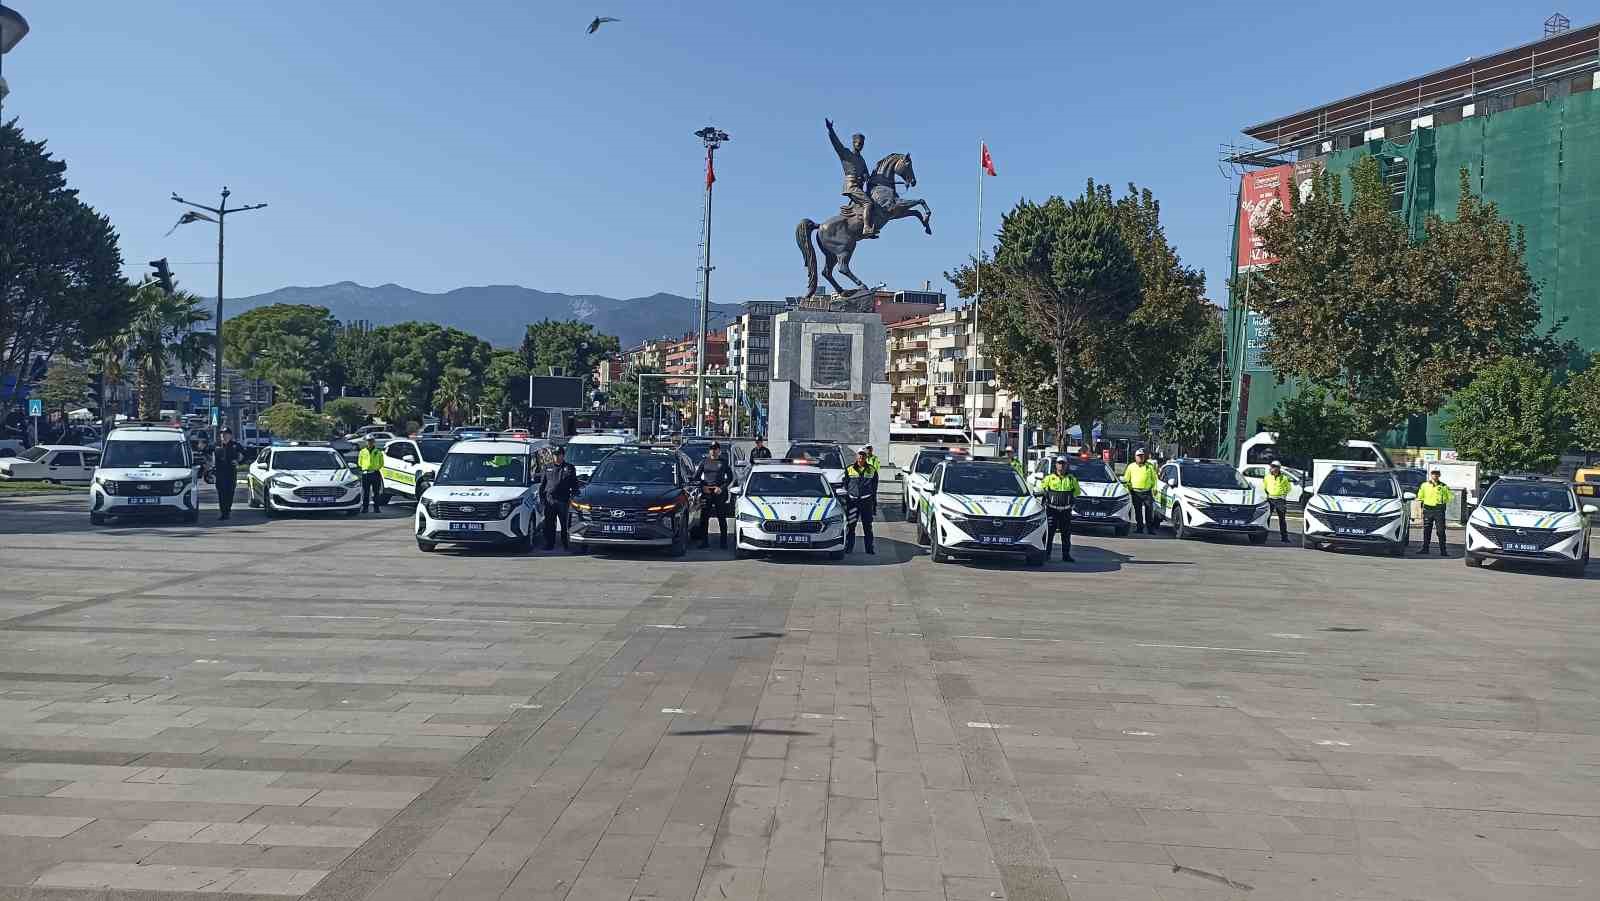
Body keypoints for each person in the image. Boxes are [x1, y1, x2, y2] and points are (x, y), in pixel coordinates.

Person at [826, 119, 878, 238]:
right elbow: (836, 143)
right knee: (868, 203)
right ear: (853, 143)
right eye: (858, 143)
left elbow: (866, 174)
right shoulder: (846, 154)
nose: (860, 146)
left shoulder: (861, 159)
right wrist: (831, 130)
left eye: (862, 144)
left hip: (859, 186)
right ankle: (866, 228)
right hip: (851, 186)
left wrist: (866, 176)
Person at [1039, 456, 1080, 562]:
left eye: (1063, 463)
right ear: (1056, 465)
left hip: (1065, 511)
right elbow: (1041, 488)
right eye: (1059, 463)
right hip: (1052, 510)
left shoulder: (1071, 479)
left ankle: (1066, 555)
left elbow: (1077, 492)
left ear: (1066, 465)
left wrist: (1069, 501)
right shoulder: (1049, 478)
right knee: (1050, 534)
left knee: (1066, 534)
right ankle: (1047, 555)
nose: (1061, 465)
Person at [694, 442, 734, 549]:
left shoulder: (723, 462)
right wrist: (703, 486)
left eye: (715, 448)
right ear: (709, 450)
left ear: (719, 450)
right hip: (707, 492)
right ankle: (704, 541)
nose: (713, 450)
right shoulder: (704, 462)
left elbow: (730, 478)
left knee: (721, 517)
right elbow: (697, 477)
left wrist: (721, 488)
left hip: (719, 492)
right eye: (711, 448)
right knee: (704, 518)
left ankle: (723, 542)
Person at [539, 446, 578, 551]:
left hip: (563, 500)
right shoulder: (547, 467)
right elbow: (543, 485)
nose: (556, 457)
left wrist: (574, 496)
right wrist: (542, 499)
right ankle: (549, 544)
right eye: (555, 455)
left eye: (559, 455)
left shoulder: (569, 468)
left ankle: (565, 543)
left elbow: (574, 484)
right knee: (549, 524)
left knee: (564, 524)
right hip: (550, 499)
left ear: (563, 455)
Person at [843, 448, 878, 554]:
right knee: (851, 525)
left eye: (863, 455)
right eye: (859, 455)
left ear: (866, 457)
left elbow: (874, 488)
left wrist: (874, 505)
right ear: (856, 456)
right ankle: (849, 548)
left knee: (867, 526)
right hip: (853, 502)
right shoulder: (849, 469)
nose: (861, 457)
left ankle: (869, 549)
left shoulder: (872, 470)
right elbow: (845, 484)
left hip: (866, 502)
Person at [210, 428, 246, 520]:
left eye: (225, 434)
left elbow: (246, 455)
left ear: (230, 435)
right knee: (221, 493)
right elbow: (205, 452)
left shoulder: (235, 445)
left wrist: (239, 462)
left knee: (229, 493)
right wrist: (209, 463)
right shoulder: (216, 445)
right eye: (222, 433)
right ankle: (223, 513)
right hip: (219, 473)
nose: (223, 435)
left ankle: (227, 510)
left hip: (231, 473)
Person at [1122, 448, 1159, 535]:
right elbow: (1126, 479)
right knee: (1138, 511)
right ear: (1135, 457)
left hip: (1147, 492)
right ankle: (1139, 528)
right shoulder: (1131, 466)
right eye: (1139, 456)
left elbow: (1155, 479)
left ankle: (1150, 529)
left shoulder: (1149, 466)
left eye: (1142, 456)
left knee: (1149, 511)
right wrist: (1126, 489)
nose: (1140, 458)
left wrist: (1155, 488)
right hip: (1135, 492)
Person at [1417, 469, 1452, 556]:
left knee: (1440, 531)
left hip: (1439, 510)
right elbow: (1420, 497)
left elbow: (1449, 497)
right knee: (1427, 530)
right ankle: (1425, 549)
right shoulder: (1424, 485)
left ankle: (1443, 551)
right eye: (1433, 474)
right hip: (1428, 509)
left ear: (1439, 475)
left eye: (1437, 474)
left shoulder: (1444, 486)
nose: (1435, 476)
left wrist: (1442, 502)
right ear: (1431, 475)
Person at [1262, 460, 1293, 543]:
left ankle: (1284, 538)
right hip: (1270, 499)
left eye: (1275, 467)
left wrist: (1283, 494)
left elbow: (1288, 488)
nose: (1272, 468)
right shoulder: (1267, 477)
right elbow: (1265, 486)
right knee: (1267, 518)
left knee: (1282, 519)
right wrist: (1268, 494)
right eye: (1272, 467)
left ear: (1279, 468)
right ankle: (1264, 537)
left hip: (1280, 500)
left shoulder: (1284, 478)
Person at [358, 435, 384, 513]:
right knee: (366, 492)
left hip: (375, 473)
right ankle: (365, 508)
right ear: (366, 442)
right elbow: (359, 462)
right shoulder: (362, 451)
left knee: (376, 492)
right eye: (368, 441)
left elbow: (381, 463)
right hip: (365, 474)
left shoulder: (378, 451)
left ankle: (376, 508)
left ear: (374, 442)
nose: (370, 442)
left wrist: (375, 468)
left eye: (371, 441)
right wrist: (364, 467)